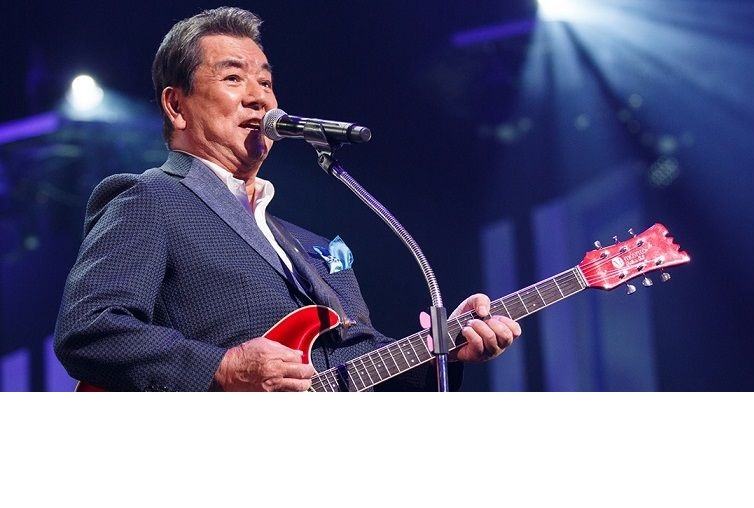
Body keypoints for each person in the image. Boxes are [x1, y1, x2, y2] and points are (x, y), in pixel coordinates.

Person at [53, 6, 521, 391]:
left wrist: (443, 351)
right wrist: (223, 367)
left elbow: (356, 370)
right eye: (233, 78)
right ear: (176, 106)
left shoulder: (310, 246)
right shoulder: (151, 197)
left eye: (265, 82)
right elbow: (88, 328)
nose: (260, 99)